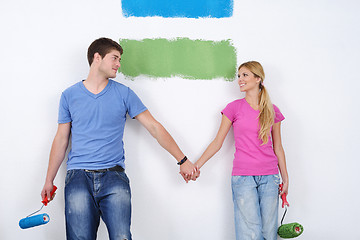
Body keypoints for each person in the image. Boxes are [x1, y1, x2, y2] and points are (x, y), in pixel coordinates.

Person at [41, 37, 198, 240]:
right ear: (97, 57)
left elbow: (154, 127)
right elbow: (61, 140)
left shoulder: (124, 94)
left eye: (120, 60)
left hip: (113, 178)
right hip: (78, 178)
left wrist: (183, 160)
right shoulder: (69, 95)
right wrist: (48, 180)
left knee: (122, 237)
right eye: (115, 58)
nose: (118, 65)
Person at [192, 61, 289, 240]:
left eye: (245, 75)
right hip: (243, 178)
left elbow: (278, 147)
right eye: (239, 76)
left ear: (258, 78)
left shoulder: (273, 111)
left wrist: (286, 178)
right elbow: (217, 142)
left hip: (270, 177)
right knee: (249, 234)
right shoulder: (233, 108)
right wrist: (196, 166)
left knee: (269, 232)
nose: (239, 80)